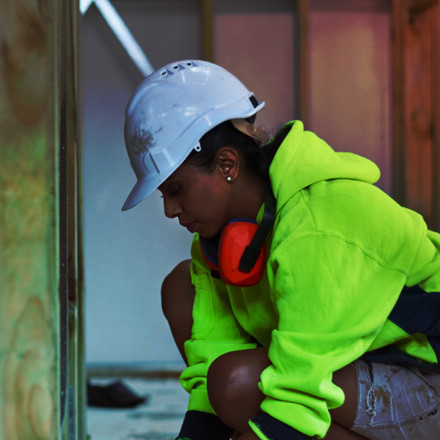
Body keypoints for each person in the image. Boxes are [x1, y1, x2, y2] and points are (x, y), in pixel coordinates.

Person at [121, 60, 440, 440]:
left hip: (425, 373)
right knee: (181, 288)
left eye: (176, 190)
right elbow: (212, 360)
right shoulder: (218, 242)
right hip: (358, 366)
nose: (170, 210)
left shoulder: (319, 222)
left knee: (241, 385)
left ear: (226, 165)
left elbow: (298, 388)